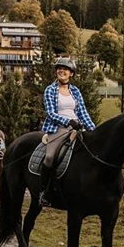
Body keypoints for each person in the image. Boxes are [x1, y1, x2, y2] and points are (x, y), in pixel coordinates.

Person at [39, 56, 96, 207]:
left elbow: (83, 113)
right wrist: (68, 121)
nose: (61, 71)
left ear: (71, 73)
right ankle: (44, 191)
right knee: (50, 157)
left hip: (77, 128)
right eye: (59, 68)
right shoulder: (50, 90)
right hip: (58, 128)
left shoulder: (75, 91)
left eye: (65, 69)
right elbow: (50, 113)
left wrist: (94, 131)